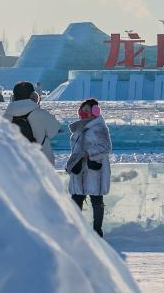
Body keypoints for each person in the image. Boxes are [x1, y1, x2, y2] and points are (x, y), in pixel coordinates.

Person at [65, 98, 112, 237]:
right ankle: (76, 231)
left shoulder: (100, 127)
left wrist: (89, 152)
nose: (84, 112)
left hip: (94, 169)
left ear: (95, 111)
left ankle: (97, 231)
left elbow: (106, 147)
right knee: (76, 199)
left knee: (96, 201)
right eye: (82, 110)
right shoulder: (79, 128)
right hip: (79, 169)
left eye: (87, 110)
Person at [3, 81, 62, 165]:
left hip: (14, 165)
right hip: (41, 165)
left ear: (13, 98)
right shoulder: (42, 114)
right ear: (34, 97)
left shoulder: (3, 118)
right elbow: (55, 131)